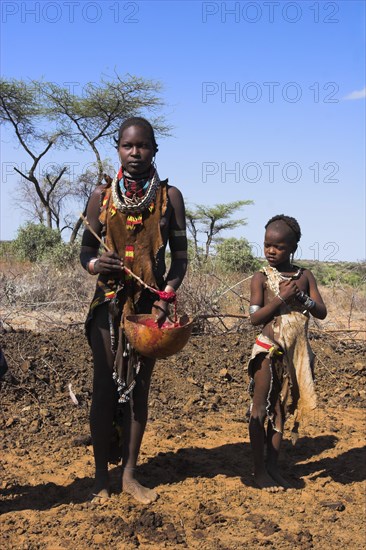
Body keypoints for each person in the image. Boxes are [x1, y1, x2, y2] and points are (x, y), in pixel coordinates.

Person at [80, 117, 188, 504]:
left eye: (143, 146)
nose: (136, 153)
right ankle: (98, 479)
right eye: (128, 146)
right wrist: (98, 266)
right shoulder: (101, 196)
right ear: (118, 149)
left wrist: (166, 296)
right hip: (107, 306)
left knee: (139, 389)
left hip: (148, 311)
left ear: (155, 150)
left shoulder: (169, 197)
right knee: (105, 389)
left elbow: (180, 260)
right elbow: (85, 254)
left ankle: (129, 474)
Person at [247, 214, 327, 491]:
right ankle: (259, 471)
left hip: (295, 355)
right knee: (260, 410)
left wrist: (300, 296)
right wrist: (281, 298)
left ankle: (273, 467)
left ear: (293, 248)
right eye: (267, 244)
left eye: (278, 246)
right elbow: (255, 319)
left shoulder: (305, 277)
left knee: (281, 410)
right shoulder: (261, 278)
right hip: (267, 352)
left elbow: (322, 312)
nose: (270, 250)